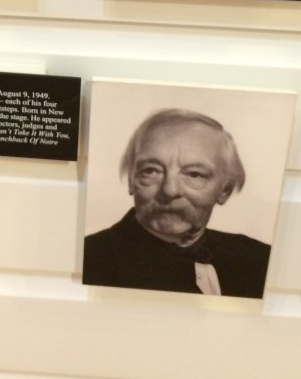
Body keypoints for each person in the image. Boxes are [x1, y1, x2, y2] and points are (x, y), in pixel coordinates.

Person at [83, 109, 270, 297]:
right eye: (151, 171)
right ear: (131, 181)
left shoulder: (259, 258)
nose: (170, 190)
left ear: (225, 190)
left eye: (194, 174)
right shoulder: (91, 259)